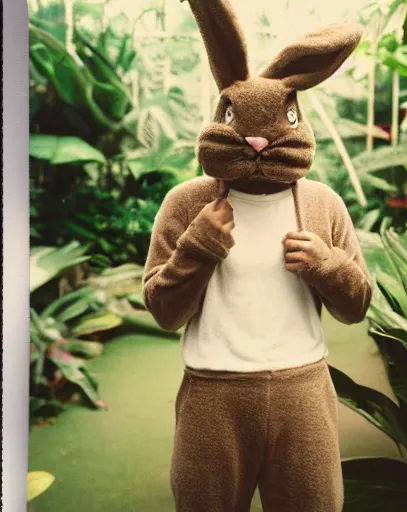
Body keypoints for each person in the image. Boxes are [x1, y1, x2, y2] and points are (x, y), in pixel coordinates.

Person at [142, 1, 372, 510]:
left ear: (296, 118)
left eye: (281, 119)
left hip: (304, 390)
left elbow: (356, 307)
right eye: (236, 117)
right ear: (221, 113)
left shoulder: (321, 203)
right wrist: (198, 246)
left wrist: (328, 266)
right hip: (212, 397)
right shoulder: (186, 203)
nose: (258, 138)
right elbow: (162, 311)